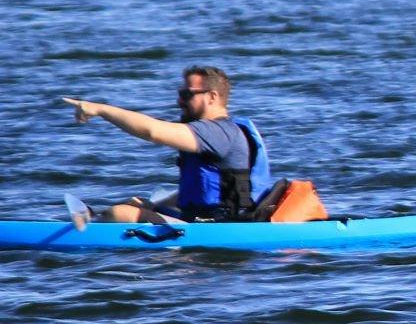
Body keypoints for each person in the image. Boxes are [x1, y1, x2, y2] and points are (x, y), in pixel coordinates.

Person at [62, 66, 273, 223]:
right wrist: (155, 206)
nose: (180, 101)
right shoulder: (213, 131)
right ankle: (94, 221)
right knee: (132, 205)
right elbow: (203, 189)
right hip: (201, 218)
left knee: (120, 214)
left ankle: (90, 228)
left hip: (221, 225)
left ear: (212, 97)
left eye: (187, 94)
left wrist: (100, 109)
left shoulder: (218, 132)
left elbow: (153, 131)